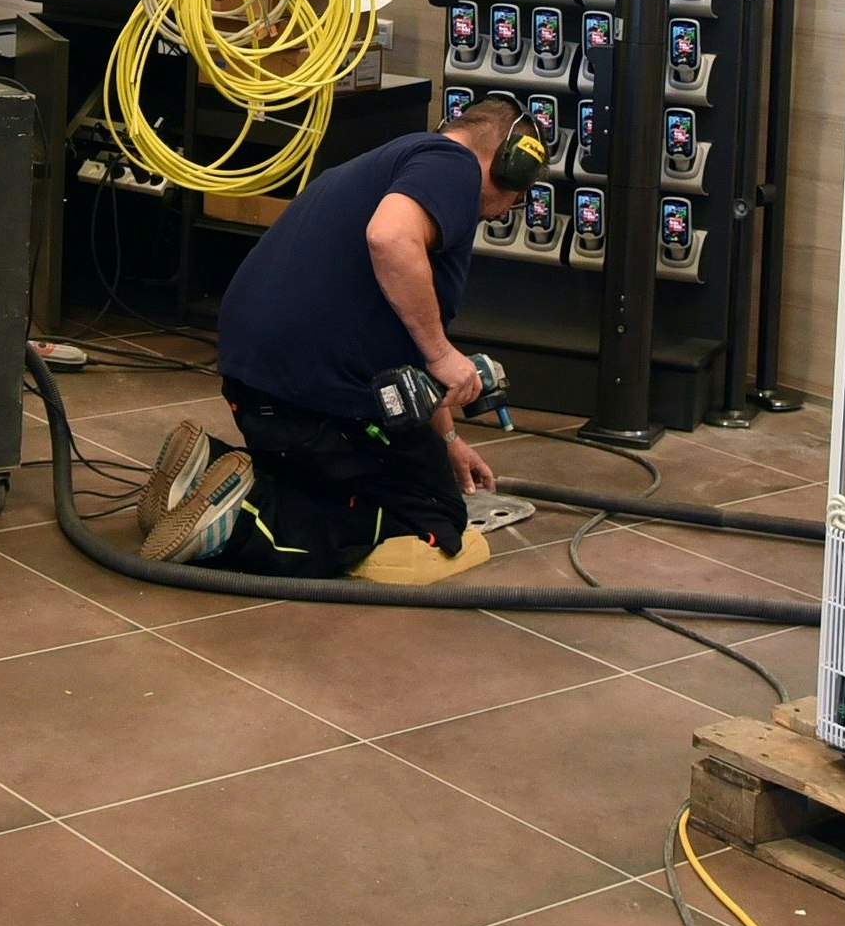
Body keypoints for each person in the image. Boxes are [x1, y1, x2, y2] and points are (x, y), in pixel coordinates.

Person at [134, 94, 547, 579]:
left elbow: (405, 345)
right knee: (435, 522)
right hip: (309, 400)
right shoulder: (453, 166)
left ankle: (204, 470)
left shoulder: (401, 162)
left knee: (361, 482)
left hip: (264, 389)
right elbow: (390, 237)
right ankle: (245, 518)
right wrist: (442, 354)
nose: (507, 210)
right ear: (511, 163)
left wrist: (448, 439)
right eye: (518, 195)